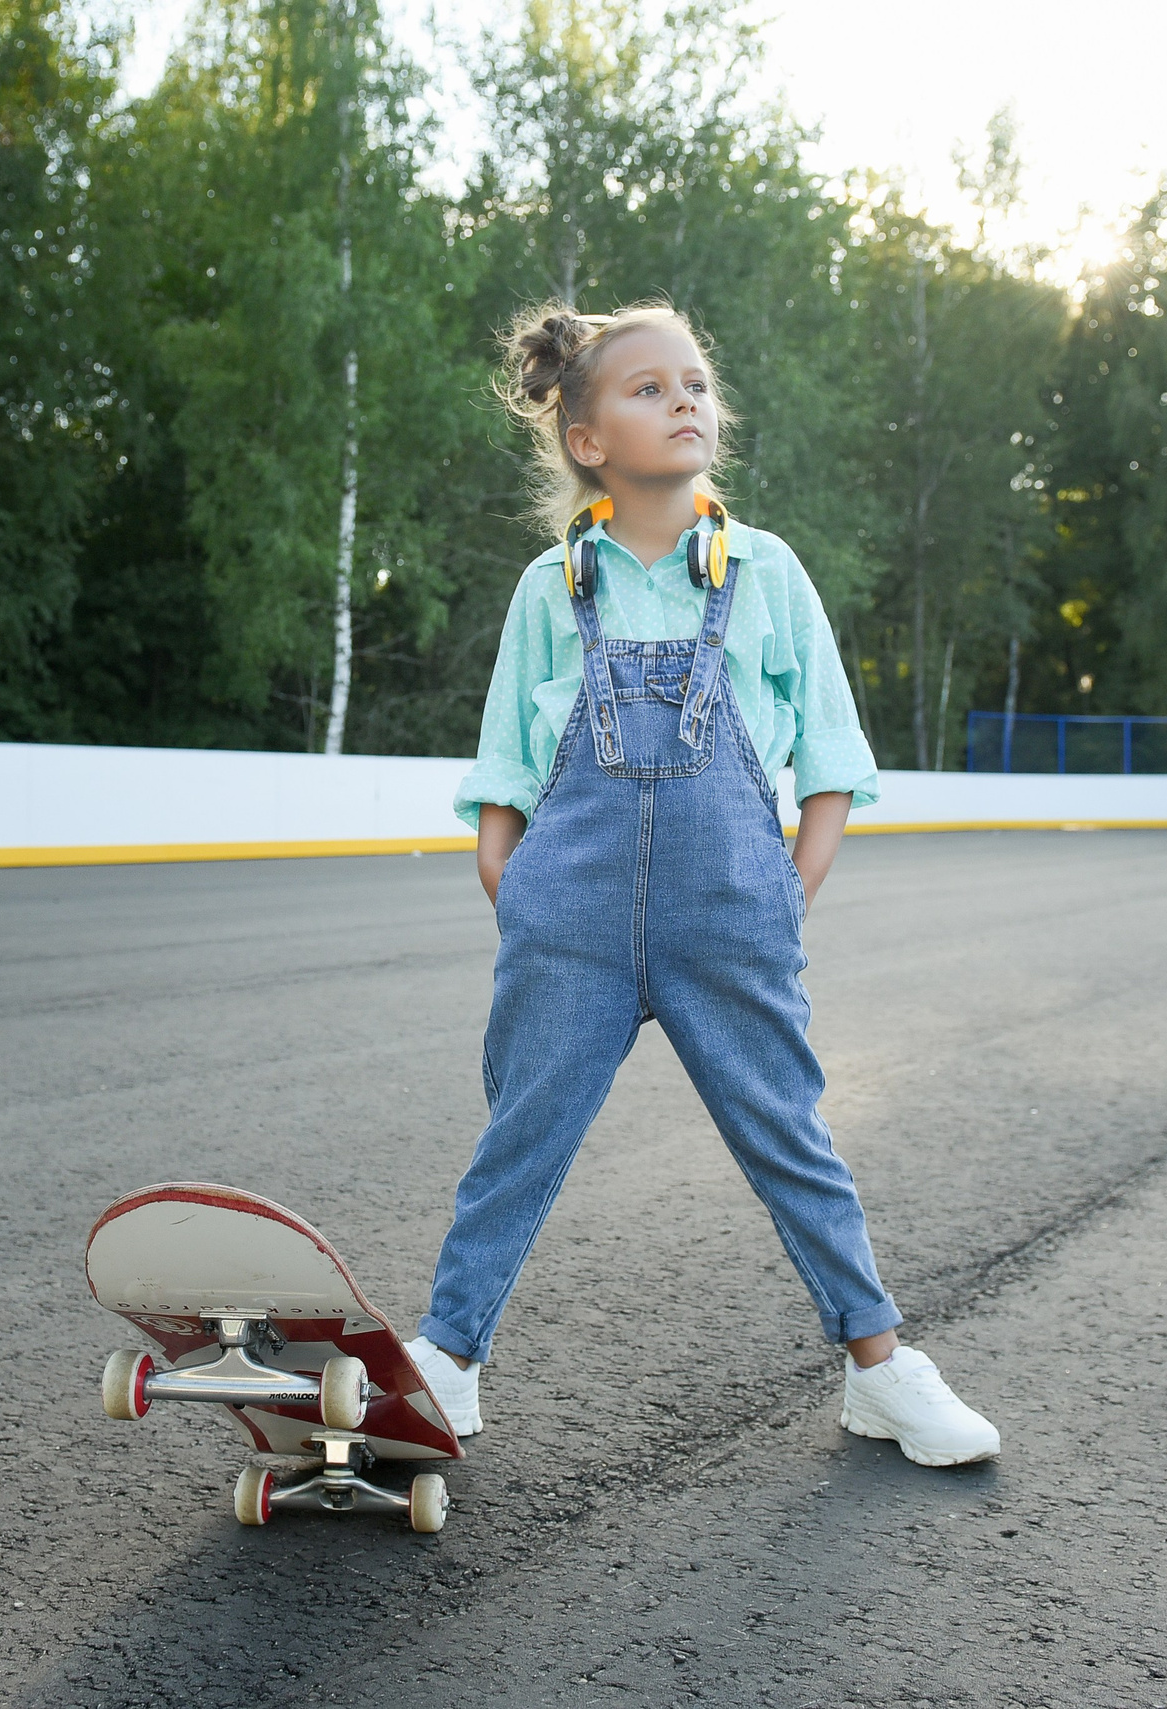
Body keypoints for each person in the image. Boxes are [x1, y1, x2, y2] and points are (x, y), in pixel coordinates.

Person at [401, 300, 1000, 1467]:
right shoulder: (550, 586)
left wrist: (788, 893)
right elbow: (504, 773)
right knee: (518, 1141)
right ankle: (444, 1364)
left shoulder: (765, 571)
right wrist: (513, 891)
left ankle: (880, 1368)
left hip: (729, 912)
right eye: (649, 388)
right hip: (565, 921)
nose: (685, 401)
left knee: (787, 1132)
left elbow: (828, 758)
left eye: (695, 384)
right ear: (586, 439)